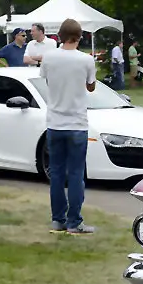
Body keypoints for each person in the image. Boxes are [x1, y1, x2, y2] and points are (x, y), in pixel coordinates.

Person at [39, 19, 96, 235]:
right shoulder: (86, 60)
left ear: (60, 36)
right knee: (75, 174)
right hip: (77, 122)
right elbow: (90, 87)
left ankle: (57, 219)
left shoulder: (49, 57)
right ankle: (74, 222)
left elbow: (46, 81)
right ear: (79, 37)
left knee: (56, 173)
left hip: (55, 122)